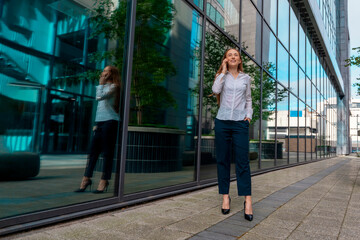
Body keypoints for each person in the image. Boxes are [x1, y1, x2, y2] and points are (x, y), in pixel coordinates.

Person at [211, 48, 253, 221]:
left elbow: (249, 99)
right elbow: (215, 90)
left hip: (239, 124)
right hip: (222, 122)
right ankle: (225, 197)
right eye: (230, 55)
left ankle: (248, 201)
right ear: (226, 59)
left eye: (236, 55)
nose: (233, 57)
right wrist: (222, 71)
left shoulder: (246, 78)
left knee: (243, 161)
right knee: (223, 160)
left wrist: (248, 116)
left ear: (239, 59)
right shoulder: (223, 77)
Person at [75, 65, 120, 194]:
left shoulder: (114, 87)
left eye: (106, 71)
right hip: (100, 122)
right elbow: (99, 105)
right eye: (103, 70)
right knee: (93, 152)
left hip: (111, 121)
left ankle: (104, 180)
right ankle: (86, 179)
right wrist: (96, 123)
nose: (103, 72)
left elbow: (100, 97)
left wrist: (100, 84)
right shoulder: (103, 87)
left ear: (112, 73)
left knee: (107, 153)